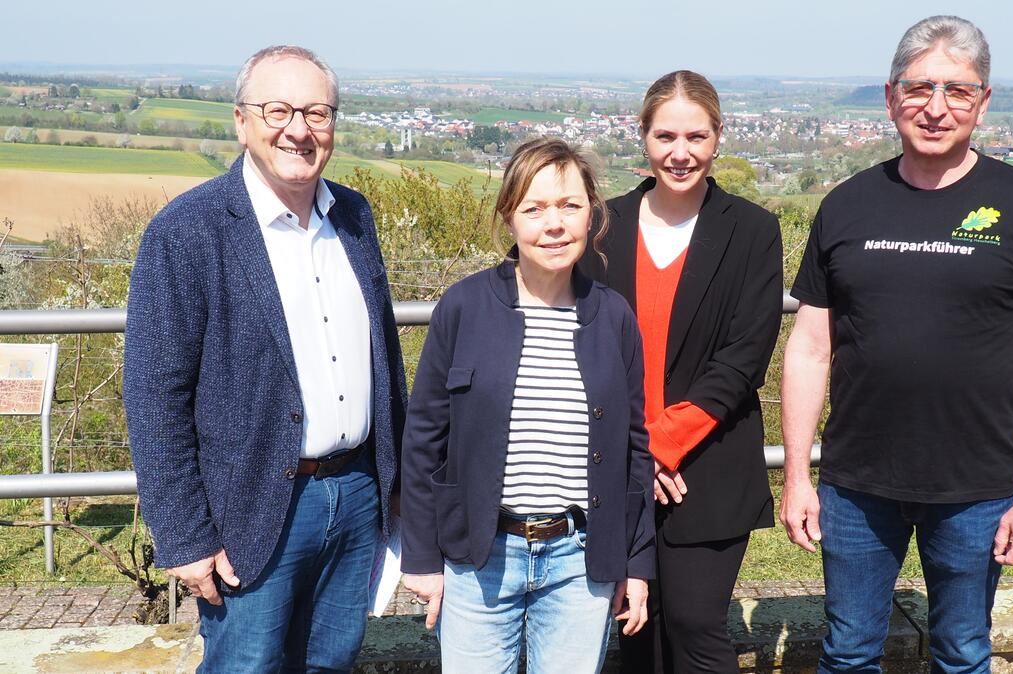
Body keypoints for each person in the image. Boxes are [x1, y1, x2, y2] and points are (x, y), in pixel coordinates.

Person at [779, 15, 1013, 673]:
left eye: (958, 90)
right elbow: (808, 349)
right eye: (919, 88)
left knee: (962, 651)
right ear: (891, 97)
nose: (936, 107)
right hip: (855, 484)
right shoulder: (847, 205)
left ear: (983, 102)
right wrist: (798, 476)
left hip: (978, 487)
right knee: (848, 651)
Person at [124, 45, 406, 673]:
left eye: (317, 112)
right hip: (252, 504)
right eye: (278, 110)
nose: (298, 130)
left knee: (332, 661)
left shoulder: (354, 216)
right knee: (246, 665)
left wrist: (395, 485)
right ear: (241, 121)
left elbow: (383, 355)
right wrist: (186, 536)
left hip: (356, 493)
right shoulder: (188, 230)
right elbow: (153, 395)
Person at [399, 137, 655, 673]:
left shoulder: (613, 317)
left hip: (580, 560)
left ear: (593, 215)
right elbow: (424, 436)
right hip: (478, 555)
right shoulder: (463, 306)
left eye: (569, 205)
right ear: (509, 219)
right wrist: (421, 557)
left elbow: (635, 449)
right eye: (534, 209)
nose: (553, 224)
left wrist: (636, 563)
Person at [580, 70, 784, 673]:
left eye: (696, 136)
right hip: (613, 461)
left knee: (696, 626)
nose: (680, 152)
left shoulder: (751, 230)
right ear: (642, 137)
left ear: (718, 137)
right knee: (634, 629)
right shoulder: (598, 224)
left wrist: (660, 445)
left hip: (707, 462)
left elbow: (745, 353)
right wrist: (633, 449)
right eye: (665, 136)